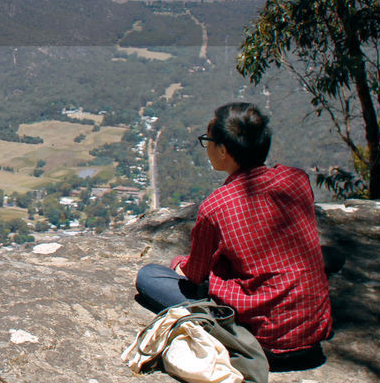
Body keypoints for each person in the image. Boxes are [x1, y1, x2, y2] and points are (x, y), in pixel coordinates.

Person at [135, 102, 332, 362]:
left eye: (208, 141)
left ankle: (224, 331)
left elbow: (195, 274)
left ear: (224, 150)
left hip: (261, 342)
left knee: (150, 276)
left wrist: (179, 265)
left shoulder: (217, 206)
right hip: (312, 335)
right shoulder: (297, 180)